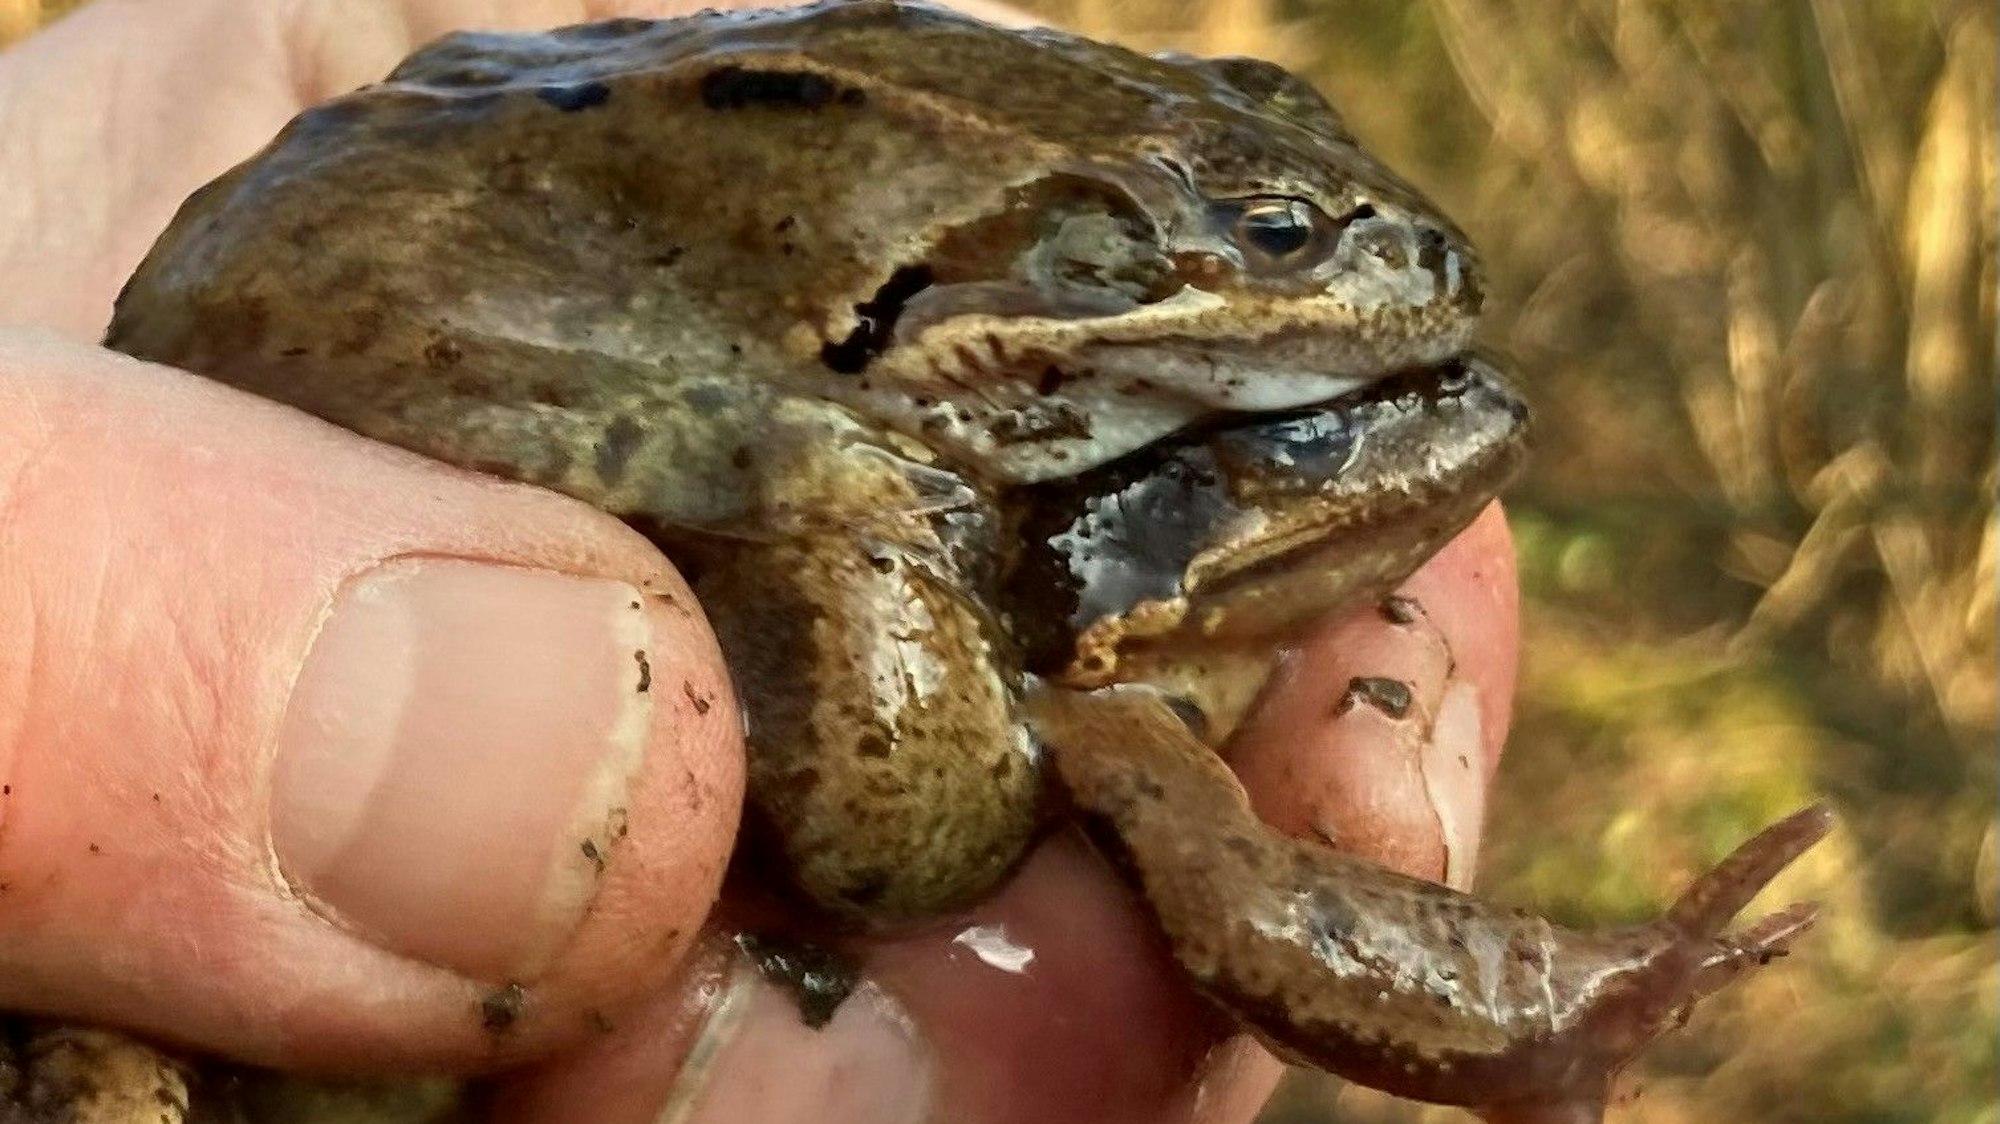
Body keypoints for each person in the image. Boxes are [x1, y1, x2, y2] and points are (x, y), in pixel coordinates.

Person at [0, 2, 1519, 1121]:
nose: (1409, 278)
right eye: (1273, 235)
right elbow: (894, 846)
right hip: (269, 425)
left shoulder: (893, 442)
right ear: (1069, 253)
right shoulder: (842, 463)